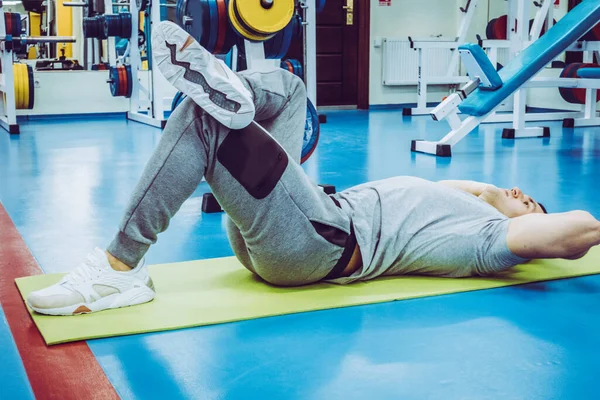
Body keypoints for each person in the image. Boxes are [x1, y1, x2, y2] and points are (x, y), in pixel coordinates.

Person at [26, 22, 600, 316]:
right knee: (292, 87)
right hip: (301, 219)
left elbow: (570, 233)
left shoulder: (487, 240)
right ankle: (240, 95)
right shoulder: (462, 200)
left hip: (317, 241)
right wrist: (497, 191)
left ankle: (116, 267)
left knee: (203, 120)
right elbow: (472, 187)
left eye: (531, 202)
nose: (524, 195)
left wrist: (535, 223)